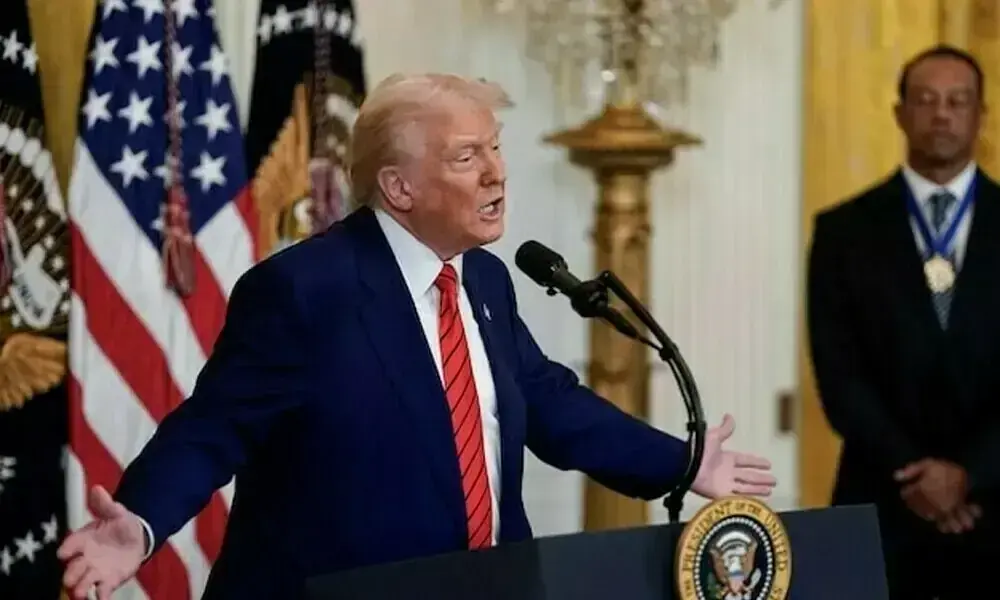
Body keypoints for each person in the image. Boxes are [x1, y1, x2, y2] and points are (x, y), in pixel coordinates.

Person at [59, 73, 776, 600]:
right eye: (468, 158)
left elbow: (551, 406)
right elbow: (211, 429)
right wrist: (143, 524)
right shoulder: (306, 291)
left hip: (487, 587)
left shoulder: (486, 281)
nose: (498, 174)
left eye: (494, 150)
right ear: (399, 188)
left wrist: (682, 465)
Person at [807, 45, 1000, 599]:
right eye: (927, 100)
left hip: (998, 504)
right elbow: (839, 375)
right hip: (882, 502)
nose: (942, 114)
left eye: (958, 101)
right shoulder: (844, 231)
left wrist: (968, 475)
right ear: (900, 113)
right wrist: (918, 473)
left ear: (980, 114)